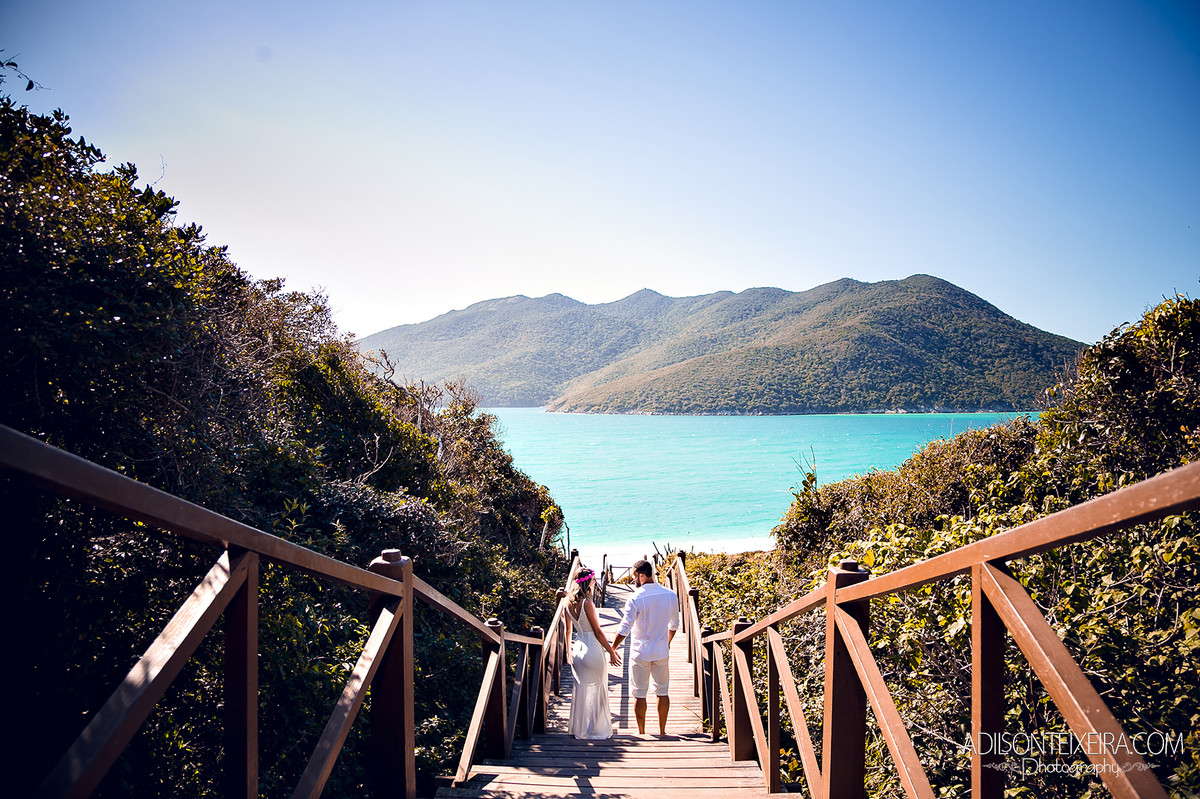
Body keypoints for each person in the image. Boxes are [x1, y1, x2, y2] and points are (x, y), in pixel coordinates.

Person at [612, 559, 680, 735]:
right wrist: (667, 642)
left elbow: (625, 628)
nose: (633, 579)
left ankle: (642, 732)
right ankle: (662, 731)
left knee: (639, 694)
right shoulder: (670, 595)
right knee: (662, 691)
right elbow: (674, 625)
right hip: (661, 651)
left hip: (640, 652)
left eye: (634, 575)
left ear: (641, 575)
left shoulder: (635, 597)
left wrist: (613, 648)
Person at [566, 567, 621, 739]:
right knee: (598, 687)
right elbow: (597, 631)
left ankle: (580, 728)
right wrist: (611, 651)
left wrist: (568, 652)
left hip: (577, 649)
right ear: (587, 582)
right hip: (592, 649)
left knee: (581, 689)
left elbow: (568, 631)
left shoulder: (567, 602)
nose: (594, 582)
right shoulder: (587, 603)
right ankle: (596, 728)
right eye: (593, 580)